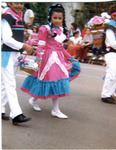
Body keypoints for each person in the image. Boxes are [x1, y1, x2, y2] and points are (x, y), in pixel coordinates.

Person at [21, 4, 81, 119]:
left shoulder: (61, 30)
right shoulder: (45, 29)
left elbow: (61, 47)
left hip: (58, 59)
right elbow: (41, 45)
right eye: (55, 18)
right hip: (47, 58)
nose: (58, 21)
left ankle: (47, 105)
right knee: (48, 80)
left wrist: (70, 57)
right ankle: (50, 107)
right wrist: (38, 58)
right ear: (50, 17)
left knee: (56, 80)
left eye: (60, 18)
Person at [1, 2, 33, 125]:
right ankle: (16, 114)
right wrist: (23, 46)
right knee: (10, 84)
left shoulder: (19, 17)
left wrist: (21, 50)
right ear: (9, 3)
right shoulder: (6, 18)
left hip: (15, 54)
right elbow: (7, 39)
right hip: (6, 54)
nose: (19, 5)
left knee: (5, 83)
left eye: (21, 3)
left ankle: (1, 109)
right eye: (16, 2)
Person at [101, 4, 116, 104]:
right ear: (113, 16)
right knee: (112, 73)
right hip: (111, 53)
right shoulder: (110, 27)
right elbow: (113, 43)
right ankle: (105, 94)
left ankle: (112, 92)